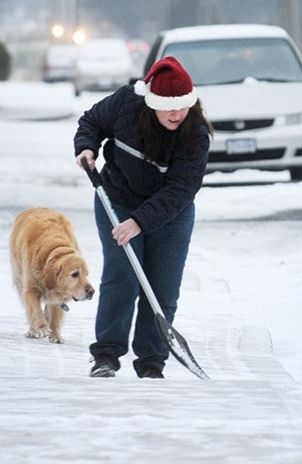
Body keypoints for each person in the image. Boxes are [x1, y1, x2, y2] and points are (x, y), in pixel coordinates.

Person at [74, 56, 212, 378]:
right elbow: (91, 122)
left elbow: (181, 190)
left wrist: (140, 223)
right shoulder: (126, 105)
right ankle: (106, 354)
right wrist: (87, 147)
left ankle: (151, 362)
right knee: (122, 277)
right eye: (169, 107)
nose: (177, 114)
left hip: (171, 213)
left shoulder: (195, 135)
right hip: (118, 200)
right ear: (152, 103)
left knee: (162, 287)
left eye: (183, 107)